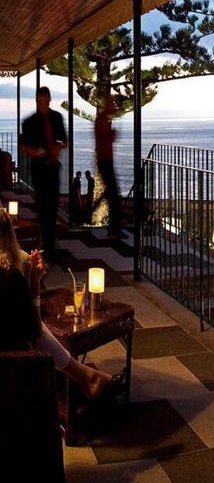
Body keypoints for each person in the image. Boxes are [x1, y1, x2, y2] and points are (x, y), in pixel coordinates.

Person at [0, 209, 120, 399]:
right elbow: (34, 332)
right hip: (12, 361)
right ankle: (86, 378)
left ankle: (86, 377)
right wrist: (35, 284)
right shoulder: (11, 278)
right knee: (38, 327)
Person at [20, 87, 68, 260]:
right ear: (36, 101)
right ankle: (47, 244)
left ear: (49, 100)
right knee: (43, 206)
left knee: (52, 207)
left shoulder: (57, 118)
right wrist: (33, 152)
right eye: (40, 101)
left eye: (45, 101)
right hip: (39, 168)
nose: (43, 104)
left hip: (53, 167)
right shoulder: (29, 122)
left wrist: (59, 146)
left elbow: (65, 141)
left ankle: (49, 244)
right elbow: (24, 145)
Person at [92, 94, 121, 236]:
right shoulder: (102, 120)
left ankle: (113, 227)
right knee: (114, 195)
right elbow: (105, 139)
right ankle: (114, 229)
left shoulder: (102, 119)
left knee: (111, 193)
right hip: (105, 161)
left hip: (105, 160)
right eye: (112, 104)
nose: (115, 107)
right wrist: (113, 134)